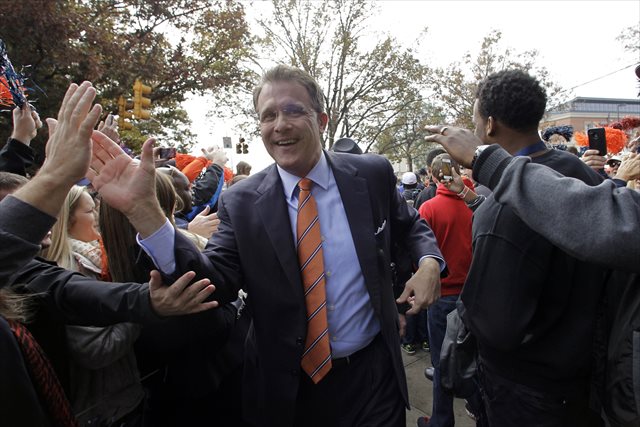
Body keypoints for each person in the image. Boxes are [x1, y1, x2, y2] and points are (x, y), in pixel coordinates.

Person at [88, 64, 445, 427]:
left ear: (321, 120)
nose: (280, 125)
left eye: (293, 111)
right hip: (287, 392)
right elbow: (212, 283)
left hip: (372, 380)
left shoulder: (371, 174)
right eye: (268, 115)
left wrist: (429, 261)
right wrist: (146, 214)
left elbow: (409, 224)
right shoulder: (241, 202)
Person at [0, 81, 218, 427]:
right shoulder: (77, 259)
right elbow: (90, 341)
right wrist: (55, 173)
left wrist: (148, 300)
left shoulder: (35, 273)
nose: (40, 221)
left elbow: (61, 288)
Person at [423, 69, 607, 427]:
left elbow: (494, 321)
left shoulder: (503, 209)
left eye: (475, 121)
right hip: (585, 374)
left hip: (527, 389)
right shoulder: (580, 174)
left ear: (489, 126)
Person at [416, 154, 477, 427]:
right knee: (472, 360)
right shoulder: (476, 204)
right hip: (472, 296)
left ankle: (441, 420)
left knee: (442, 363)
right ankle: (479, 407)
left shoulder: (428, 209)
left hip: (442, 298)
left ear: (432, 174)